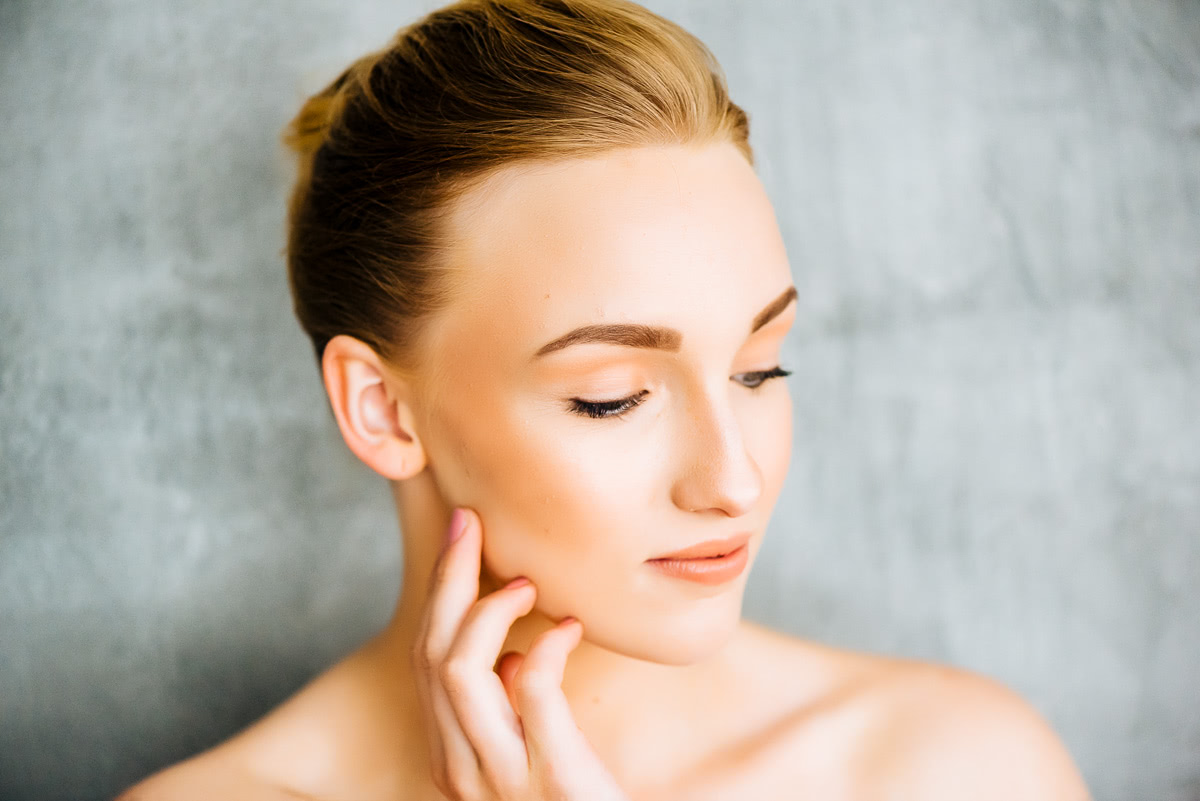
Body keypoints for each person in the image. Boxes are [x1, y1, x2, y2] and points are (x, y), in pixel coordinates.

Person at [118, 0, 1093, 799]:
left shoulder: (959, 769)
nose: (734, 482)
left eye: (758, 370)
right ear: (383, 409)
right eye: (612, 398)